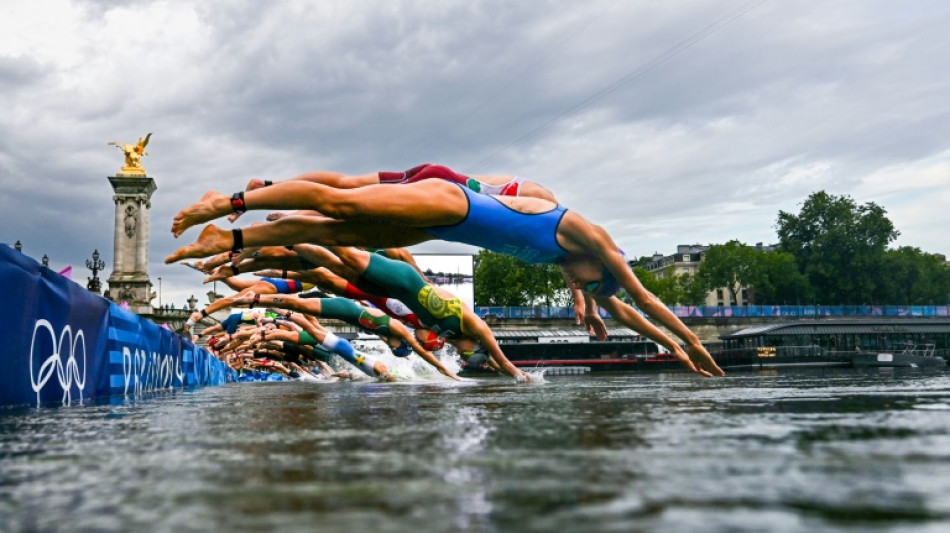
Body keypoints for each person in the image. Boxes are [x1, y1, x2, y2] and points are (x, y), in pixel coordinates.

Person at [167, 169, 724, 377]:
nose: (581, 290)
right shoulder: (589, 237)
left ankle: (232, 240)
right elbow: (644, 299)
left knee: (336, 233)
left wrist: (671, 350)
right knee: (342, 206)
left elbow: (627, 313)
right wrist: (692, 339)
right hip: (454, 203)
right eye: (587, 286)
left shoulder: (577, 268)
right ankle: (232, 203)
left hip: (447, 223)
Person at [230, 290, 460, 380]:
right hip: (347, 311)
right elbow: (421, 350)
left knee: (310, 326)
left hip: (350, 324)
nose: (391, 347)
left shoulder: (389, 335)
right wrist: (447, 372)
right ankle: (263, 301)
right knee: (306, 320)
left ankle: (270, 307)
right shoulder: (398, 329)